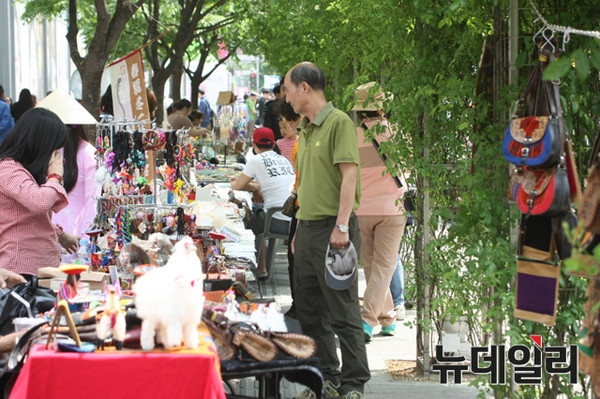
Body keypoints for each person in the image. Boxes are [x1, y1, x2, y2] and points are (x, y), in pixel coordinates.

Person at [284, 62, 369, 399]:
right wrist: (297, 230)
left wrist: (342, 226)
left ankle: (353, 384)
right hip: (307, 231)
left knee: (343, 310)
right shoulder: (304, 131)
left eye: (289, 90)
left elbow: (349, 175)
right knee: (309, 310)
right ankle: (327, 380)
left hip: (336, 231)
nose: (287, 98)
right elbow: (304, 186)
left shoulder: (339, 123)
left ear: (305, 87)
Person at [353, 82, 407, 342]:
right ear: (382, 107)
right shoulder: (396, 133)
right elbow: (408, 169)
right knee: (384, 266)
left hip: (363, 208)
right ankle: (367, 320)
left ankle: (387, 319)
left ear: (360, 112)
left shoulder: (352, 136)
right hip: (392, 208)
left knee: (373, 266)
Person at [0, 107, 79, 278]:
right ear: (40, 144)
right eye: (54, 149)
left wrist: (60, 235)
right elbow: (39, 203)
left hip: (38, 269)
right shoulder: (8, 169)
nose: (56, 156)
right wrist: (55, 176)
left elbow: (27, 218)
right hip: (20, 271)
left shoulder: (22, 169)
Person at [230, 127, 295, 279]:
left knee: (247, 216)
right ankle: (262, 265)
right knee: (259, 209)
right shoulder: (283, 159)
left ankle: (259, 267)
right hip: (294, 220)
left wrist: (252, 187)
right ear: (273, 144)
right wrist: (255, 188)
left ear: (254, 144)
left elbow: (238, 186)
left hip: (277, 220)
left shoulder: (255, 160)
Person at [37, 89, 101, 242]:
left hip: (73, 236)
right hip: (53, 234)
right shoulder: (47, 152)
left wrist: (84, 240)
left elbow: (93, 203)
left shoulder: (88, 155)